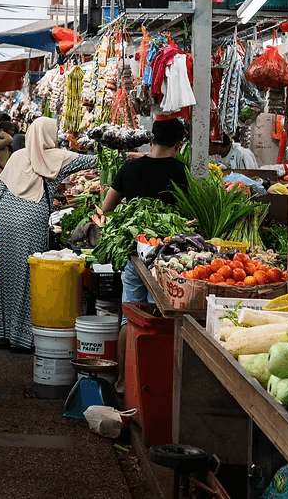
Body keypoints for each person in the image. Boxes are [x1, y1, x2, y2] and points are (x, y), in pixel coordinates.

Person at [0, 117, 95, 350]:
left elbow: (1, 190)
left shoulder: (17, 156)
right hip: (31, 221)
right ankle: (22, 336)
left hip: (5, 220)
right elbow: (92, 160)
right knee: (28, 276)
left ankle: (2, 332)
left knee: (5, 275)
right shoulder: (57, 157)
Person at [101, 117, 189, 394]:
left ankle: (122, 382)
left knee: (129, 317)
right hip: (166, 260)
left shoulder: (131, 168)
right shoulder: (181, 171)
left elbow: (107, 208)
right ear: (178, 145)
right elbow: (191, 213)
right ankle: (150, 388)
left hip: (135, 256)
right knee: (158, 319)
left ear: (151, 141)